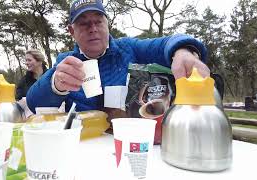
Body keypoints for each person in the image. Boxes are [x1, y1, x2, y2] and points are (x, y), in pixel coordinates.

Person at [26, 0, 210, 113]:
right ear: (71, 31)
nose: (93, 29)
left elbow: (165, 43)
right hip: (85, 145)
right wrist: (56, 84)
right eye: (84, 24)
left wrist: (183, 50)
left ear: (108, 24)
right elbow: (34, 103)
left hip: (129, 140)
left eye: (98, 21)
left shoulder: (129, 48)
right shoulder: (66, 62)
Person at [16, 49, 47, 117]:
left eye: (29, 60)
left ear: (39, 61)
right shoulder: (23, 81)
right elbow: (18, 101)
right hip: (30, 120)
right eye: (26, 60)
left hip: (51, 118)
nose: (26, 63)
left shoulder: (50, 77)